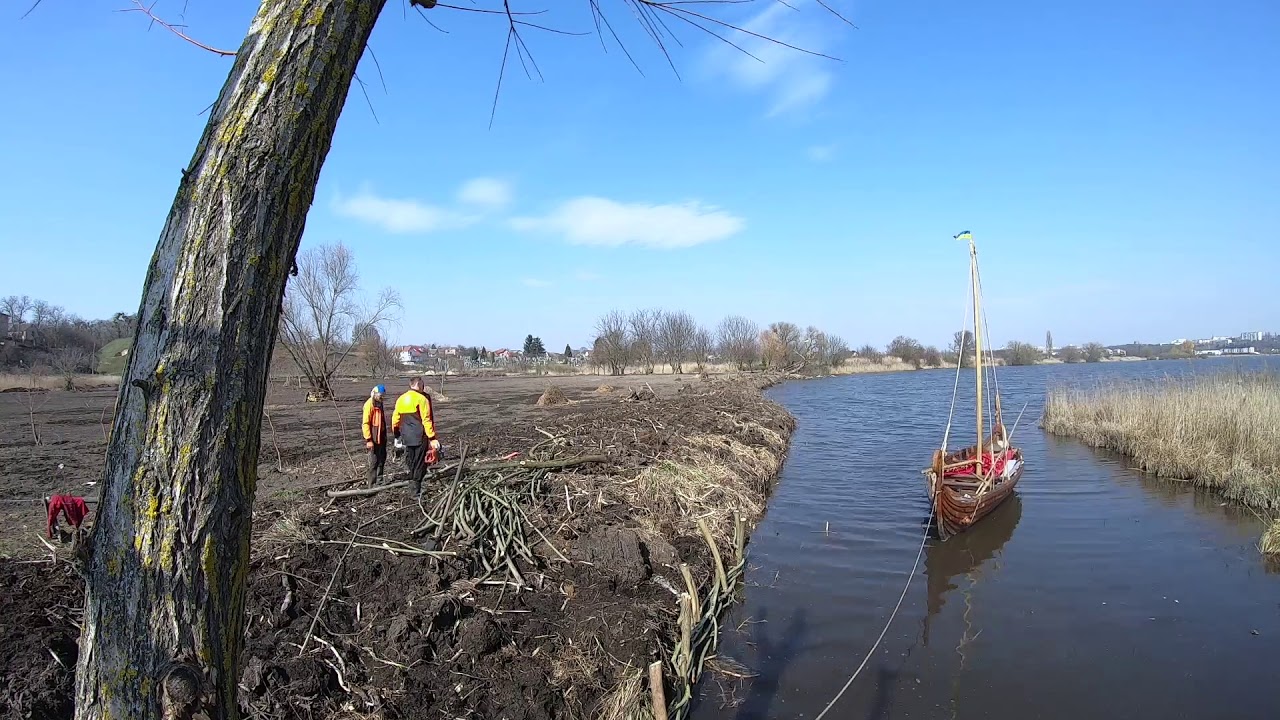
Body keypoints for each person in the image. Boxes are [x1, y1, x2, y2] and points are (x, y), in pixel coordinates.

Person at [392, 377, 441, 498]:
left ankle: (412, 486)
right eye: (422, 385)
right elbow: (426, 420)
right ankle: (416, 490)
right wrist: (432, 437)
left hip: (406, 436)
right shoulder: (422, 399)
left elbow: (395, 419)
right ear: (418, 385)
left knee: (411, 460)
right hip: (419, 435)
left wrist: (396, 434)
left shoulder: (401, 399)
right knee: (420, 463)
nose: (423, 388)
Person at [362, 385, 389, 486]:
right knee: (374, 461)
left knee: (382, 458)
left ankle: (380, 481)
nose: (382, 398)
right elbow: (365, 423)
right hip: (373, 437)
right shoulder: (369, 405)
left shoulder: (379, 403)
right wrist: (368, 440)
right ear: (374, 394)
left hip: (381, 436)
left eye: (383, 396)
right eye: (380, 396)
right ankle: (371, 485)